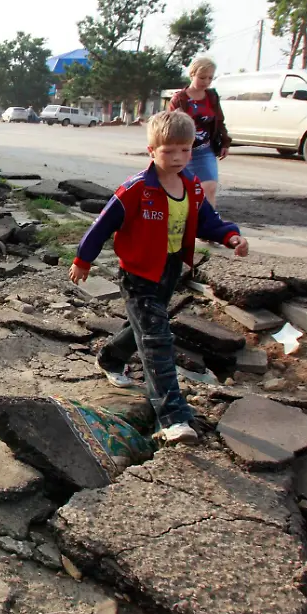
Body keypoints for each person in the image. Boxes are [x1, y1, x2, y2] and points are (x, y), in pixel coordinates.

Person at [70, 110, 250, 444]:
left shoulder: (192, 187)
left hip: (169, 269)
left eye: (185, 150)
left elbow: (208, 220)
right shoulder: (136, 189)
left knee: (145, 327)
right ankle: (174, 418)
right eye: (169, 151)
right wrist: (83, 259)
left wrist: (231, 237)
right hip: (137, 273)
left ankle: (110, 357)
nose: (179, 158)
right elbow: (103, 225)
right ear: (152, 151)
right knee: (157, 340)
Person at [167, 56, 229, 207]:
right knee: (179, 192)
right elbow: (169, 126)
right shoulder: (179, 99)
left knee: (209, 188)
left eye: (210, 78)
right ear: (192, 74)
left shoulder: (211, 97)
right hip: (181, 152)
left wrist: (225, 142)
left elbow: (219, 121)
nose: (206, 82)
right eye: (202, 77)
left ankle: (208, 226)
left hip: (204, 151)